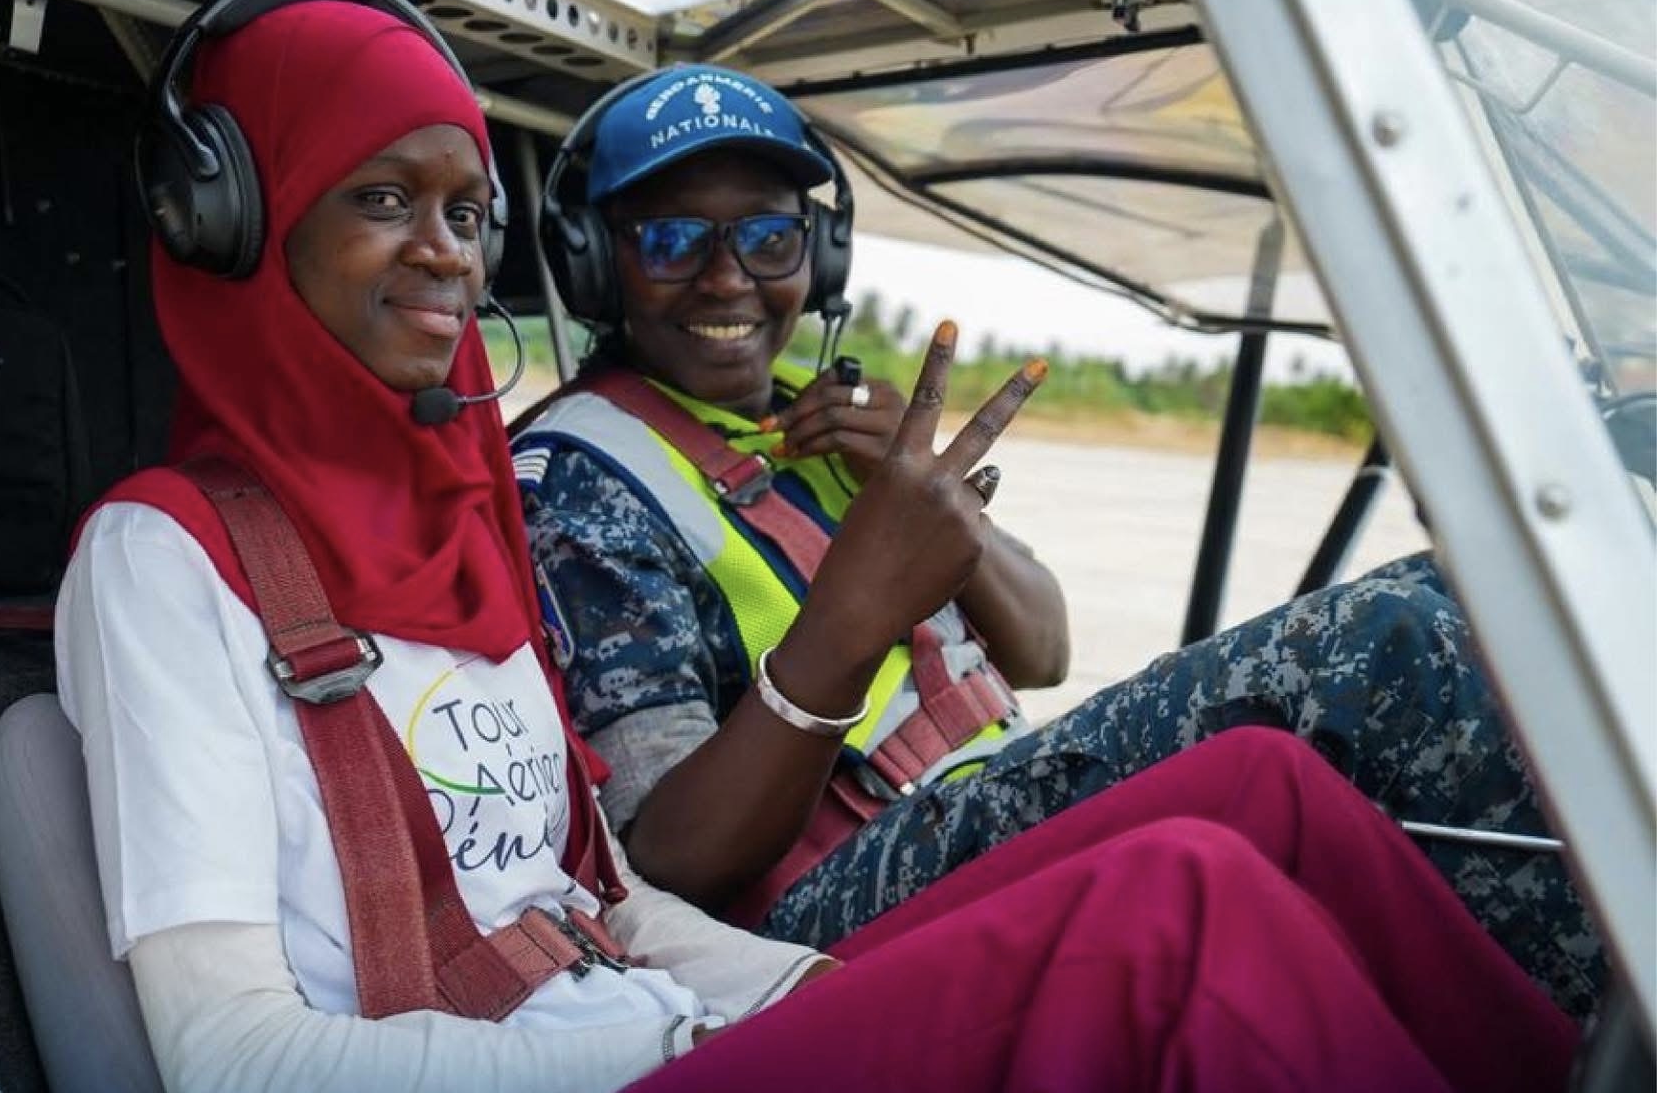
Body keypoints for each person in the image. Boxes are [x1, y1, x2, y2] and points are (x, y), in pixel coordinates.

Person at [56, 0, 1575, 1093]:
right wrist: (691, 1022)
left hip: (654, 1006)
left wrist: (835, 993)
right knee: (1178, 908)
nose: (449, 254)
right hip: (606, 1051)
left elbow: (605, 897)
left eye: (466, 211)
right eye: (383, 196)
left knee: (1254, 796)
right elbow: (233, 1057)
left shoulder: (464, 520)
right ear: (236, 221)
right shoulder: (172, 560)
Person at [515, 62, 1602, 1017]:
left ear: (819, 252)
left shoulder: (838, 422)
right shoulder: (583, 481)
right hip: (824, 907)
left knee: (1468, 605)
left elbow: (1040, 652)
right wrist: (850, 616)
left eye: (765, 235)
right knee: (1397, 641)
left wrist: (938, 517)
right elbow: (671, 859)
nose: (726, 279)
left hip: (981, 794)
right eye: (668, 241)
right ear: (595, 263)